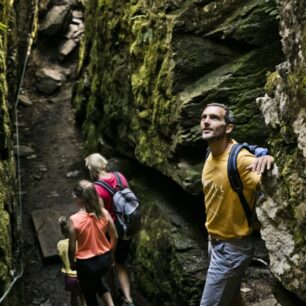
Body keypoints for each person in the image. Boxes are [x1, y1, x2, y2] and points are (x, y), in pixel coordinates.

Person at [199, 103, 274, 306]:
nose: (206, 121)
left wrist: (268, 158)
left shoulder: (240, 160)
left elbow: (272, 182)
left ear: (228, 127)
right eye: (204, 116)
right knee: (231, 298)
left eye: (214, 117)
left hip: (231, 249)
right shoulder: (209, 154)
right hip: (213, 242)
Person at [85, 153, 135, 306]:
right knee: (121, 262)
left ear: (92, 170)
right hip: (128, 226)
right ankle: (129, 299)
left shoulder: (97, 188)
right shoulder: (120, 176)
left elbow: (102, 216)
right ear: (104, 164)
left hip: (112, 232)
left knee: (109, 265)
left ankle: (113, 296)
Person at [68, 180, 118, 306]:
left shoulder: (74, 219)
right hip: (104, 260)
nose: (73, 196)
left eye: (75, 194)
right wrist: (111, 253)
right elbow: (115, 236)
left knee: (90, 295)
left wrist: (72, 262)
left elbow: (72, 247)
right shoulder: (104, 213)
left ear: (80, 199)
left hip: (86, 265)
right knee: (98, 282)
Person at [57, 215, 86, 306]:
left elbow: (61, 257)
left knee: (73, 297)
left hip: (69, 278)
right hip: (80, 275)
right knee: (83, 296)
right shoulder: (78, 242)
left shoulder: (60, 244)